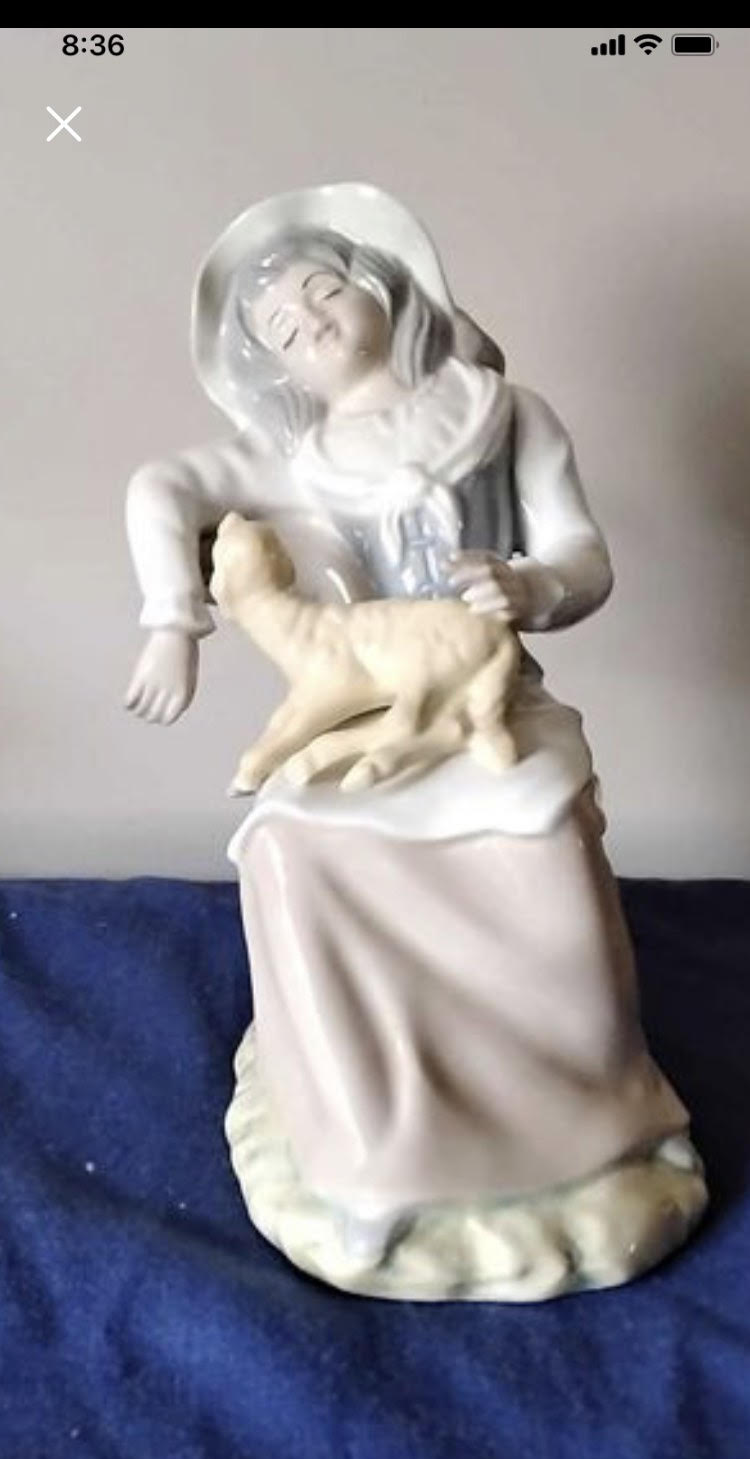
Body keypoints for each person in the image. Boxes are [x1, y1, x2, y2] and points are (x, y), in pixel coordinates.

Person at [125, 183, 706, 1299]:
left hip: (495, 703)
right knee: (290, 845)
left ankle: (588, 1120)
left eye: (324, 292)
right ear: (271, 368)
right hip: (368, 718)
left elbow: (584, 557)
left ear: (386, 287)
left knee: (540, 836)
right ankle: (378, 1156)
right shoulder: (296, 460)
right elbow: (165, 486)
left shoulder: (505, 413)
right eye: (281, 329)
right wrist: (172, 621)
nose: (311, 324)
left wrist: (533, 585)